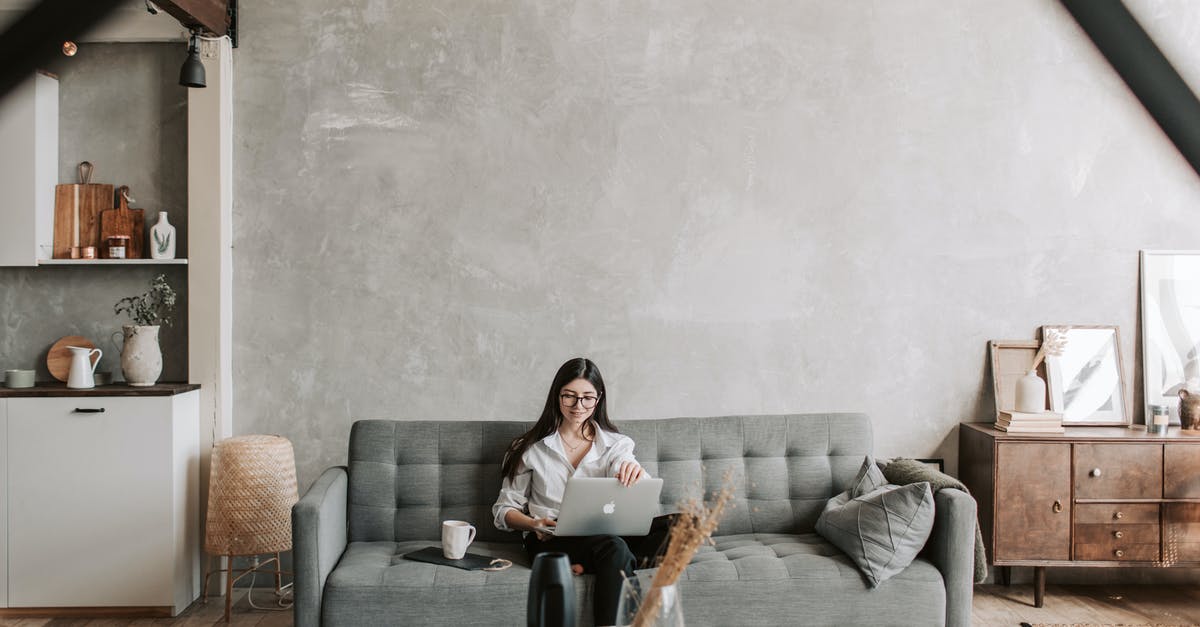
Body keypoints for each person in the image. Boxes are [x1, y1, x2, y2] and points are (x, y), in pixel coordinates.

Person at [493, 357, 664, 626]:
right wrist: (532, 523)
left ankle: (601, 564)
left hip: (605, 535)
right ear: (556, 396)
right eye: (569, 396)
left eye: (587, 398)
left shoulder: (616, 444)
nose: (578, 406)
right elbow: (503, 510)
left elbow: (625, 467)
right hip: (551, 537)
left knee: (684, 526)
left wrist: (634, 471)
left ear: (599, 399)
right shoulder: (528, 448)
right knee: (614, 547)